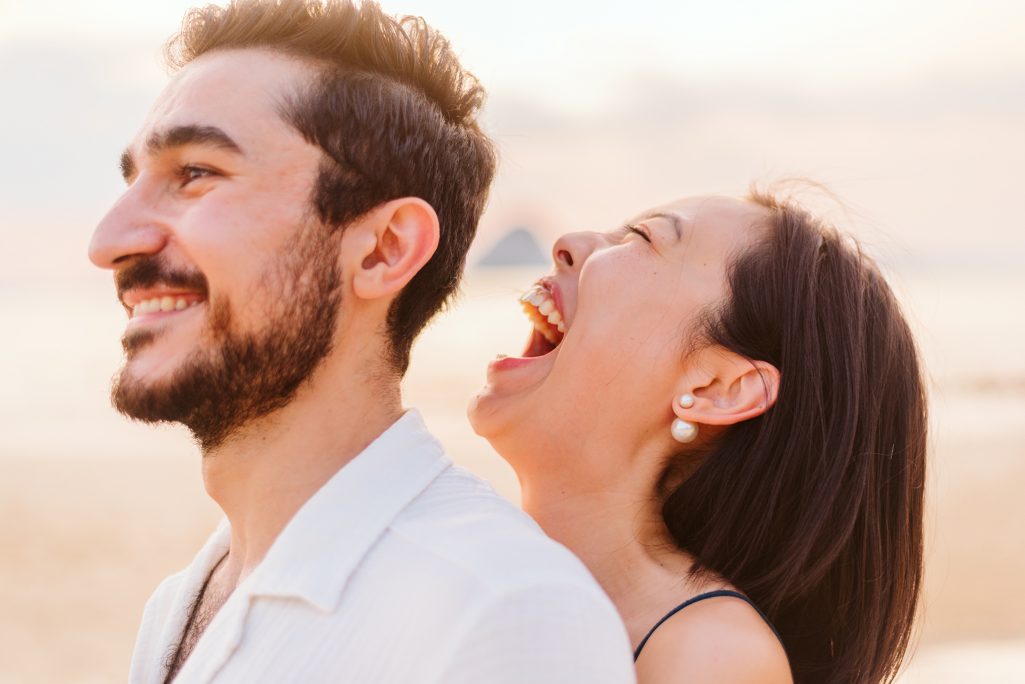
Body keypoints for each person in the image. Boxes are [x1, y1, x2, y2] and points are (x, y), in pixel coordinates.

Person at [88, 1, 636, 682]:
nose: (108, 243)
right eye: (133, 180)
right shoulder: (181, 603)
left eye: (196, 173)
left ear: (382, 250)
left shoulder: (503, 611)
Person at [469, 191, 927, 684]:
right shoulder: (465, 554)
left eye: (644, 238)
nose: (570, 242)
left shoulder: (710, 656)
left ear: (716, 389)